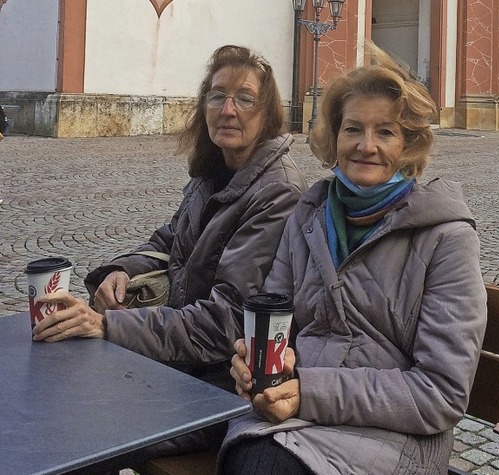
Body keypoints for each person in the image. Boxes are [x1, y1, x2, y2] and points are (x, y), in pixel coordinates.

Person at [218, 45, 488, 475]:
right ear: (334, 137)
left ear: (409, 145)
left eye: (385, 132)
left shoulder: (446, 238)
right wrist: (263, 362)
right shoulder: (307, 216)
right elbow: (278, 318)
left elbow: (441, 392)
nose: (366, 146)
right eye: (352, 129)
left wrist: (308, 390)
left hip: (393, 434)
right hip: (292, 414)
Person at [32, 44, 307, 462]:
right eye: (217, 96)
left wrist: (109, 326)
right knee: (52, 391)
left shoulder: (277, 192)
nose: (227, 109)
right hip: (177, 366)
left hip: (221, 386)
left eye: (245, 98)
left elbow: (226, 323)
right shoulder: (215, 173)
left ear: (267, 115)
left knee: (78, 427)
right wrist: (122, 270)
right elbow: (167, 241)